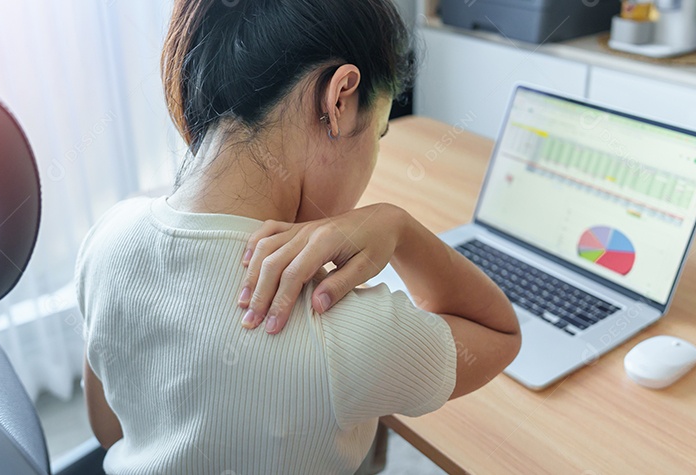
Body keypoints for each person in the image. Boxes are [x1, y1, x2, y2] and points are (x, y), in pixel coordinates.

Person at [76, 0, 521, 473]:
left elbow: (110, 432)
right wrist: (400, 227)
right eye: (380, 133)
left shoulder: (109, 239)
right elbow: (499, 333)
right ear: (341, 100)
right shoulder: (343, 329)